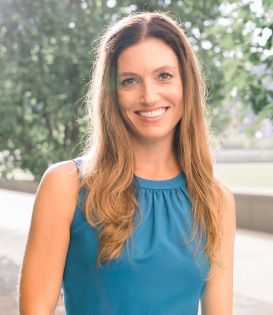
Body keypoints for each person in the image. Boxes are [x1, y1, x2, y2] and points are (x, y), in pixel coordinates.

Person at [19, 11, 236, 315]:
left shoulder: (216, 201)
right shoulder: (66, 185)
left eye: (164, 76)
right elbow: (35, 309)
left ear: (187, 84)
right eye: (129, 81)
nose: (149, 96)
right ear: (112, 94)